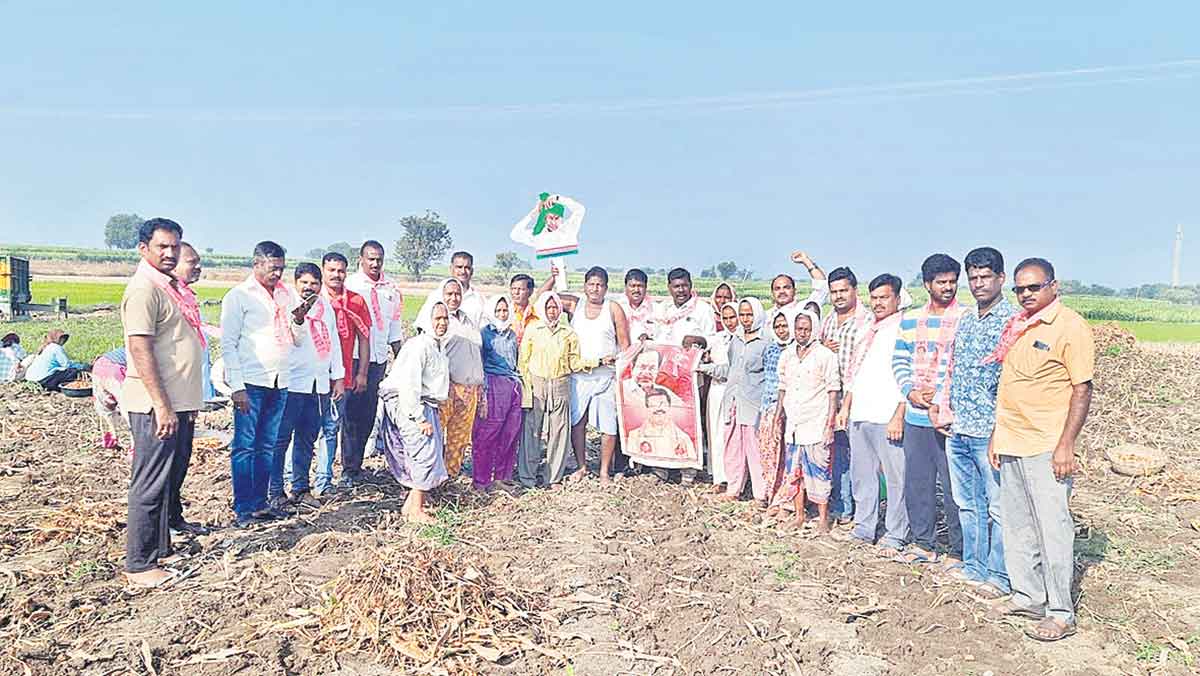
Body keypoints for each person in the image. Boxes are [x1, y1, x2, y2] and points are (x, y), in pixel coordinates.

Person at [987, 258, 1093, 642]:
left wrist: (1066, 444)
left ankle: (1061, 612)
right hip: (1013, 440)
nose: (1026, 294)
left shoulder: (1070, 327)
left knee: (1053, 530)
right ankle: (1028, 595)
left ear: (1054, 286)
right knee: (1018, 527)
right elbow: (1011, 388)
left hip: (1047, 445)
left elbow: (1082, 389)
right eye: (1020, 289)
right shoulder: (1018, 327)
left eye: (1034, 287)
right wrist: (998, 436)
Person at [119, 218, 205, 587]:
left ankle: (160, 548)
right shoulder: (144, 290)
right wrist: (162, 405)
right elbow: (140, 348)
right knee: (150, 483)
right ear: (144, 249)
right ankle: (139, 564)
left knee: (170, 478)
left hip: (177, 403)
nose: (170, 253)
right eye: (162, 247)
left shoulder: (169, 288)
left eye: (175, 246)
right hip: (156, 404)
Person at [928, 247, 1015, 599]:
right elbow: (953, 369)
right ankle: (974, 566)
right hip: (960, 427)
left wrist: (1000, 427)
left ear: (1001, 279)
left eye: (985, 277)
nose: (978, 284)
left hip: (990, 432)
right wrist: (943, 407)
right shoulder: (966, 320)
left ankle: (999, 575)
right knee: (968, 503)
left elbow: (1010, 379)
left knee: (997, 507)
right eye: (973, 277)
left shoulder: (1012, 320)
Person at [220, 241, 309, 527]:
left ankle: (261, 505)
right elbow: (229, 343)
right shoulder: (239, 296)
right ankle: (243, 509)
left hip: (280, 379)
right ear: (256, 264)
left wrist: (298, 321)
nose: (278, 275)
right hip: (251, 381)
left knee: (267, 445)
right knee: (245, 445)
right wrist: (236, 386)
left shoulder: (286, 295)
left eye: (282, 269)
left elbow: (298, 339)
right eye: (273, 269)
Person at [892, 253, 966, 566]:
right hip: (916, 415)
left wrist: (942, 397)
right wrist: (910, 391)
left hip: (949, 418)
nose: (948, 287)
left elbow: (963, 366)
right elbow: (899, 360)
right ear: (927, 285)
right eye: (941, 282)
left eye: (952, 281)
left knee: (954, 489)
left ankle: (958, 550)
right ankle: (924, 542)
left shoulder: (965, 317)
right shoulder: (910, 320)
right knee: (918, 483)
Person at [837, 274, 909, 558]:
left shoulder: (903, 328)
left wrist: (899, 414)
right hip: (861, 412)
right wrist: (846, 407)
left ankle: (895, 533)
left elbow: (909, 374)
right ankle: (864, 527)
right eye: (875, 298)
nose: (879, 303)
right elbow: (856, 373)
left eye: (885, 298)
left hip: (886, 414)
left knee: (895, 478)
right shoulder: (868, 328)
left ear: (897, 299)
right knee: (862, 475)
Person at [369, 301, 452, 524]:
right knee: (423, 452)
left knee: (427, 452)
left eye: (445, 318)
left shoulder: (437, 345)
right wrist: (418, 417)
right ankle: (416, 510)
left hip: (422, 402)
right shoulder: (419, 346)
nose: (442, 323)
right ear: (427, 320)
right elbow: (409, 384)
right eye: (438, 319)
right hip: (409, 402)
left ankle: (412, 505)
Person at [270, 263, 345, 509]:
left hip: (318, 384)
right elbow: (288, 339)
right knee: (281, 439)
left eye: (314, 283)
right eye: (304, 283)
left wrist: (338, 377)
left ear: (320, 285)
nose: (309, 288)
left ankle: (301, 488)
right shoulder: (286, 305)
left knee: (306, 438)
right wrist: (298, 317)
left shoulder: (325, 308)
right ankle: (275, 491)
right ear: (296, 283)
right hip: (292, 383)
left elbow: (333, 341)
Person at [517, 293, 611, 488]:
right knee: (532, 431)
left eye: (555, 307)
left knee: (559, 433)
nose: (552, 311)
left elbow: (574, 362)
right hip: (537, 384)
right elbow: (523, 362)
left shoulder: (568, 333)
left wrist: (599, 362)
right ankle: (528, 477)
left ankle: (553, 478)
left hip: (560, 384)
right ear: (542, 308)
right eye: (548, 307)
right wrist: (527, 389)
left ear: (560, 309)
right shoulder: (533, 329)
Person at [343, 240, 404, 487]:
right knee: (351, 415)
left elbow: (395, 327)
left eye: (379, 259)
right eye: (370, 258)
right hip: (355, 358)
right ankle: (348, 469)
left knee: (368, 413)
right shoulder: (351, 285)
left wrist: (401, 357)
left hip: (378, 358)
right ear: (361, 259)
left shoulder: (391, 287)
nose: (375, 263)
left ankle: (357, 466)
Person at [561, 267, 630, 484]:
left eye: (600, 284)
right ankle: (581, 467)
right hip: (579, 375)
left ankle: (603, 472)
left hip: (606, 377)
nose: (595, 288)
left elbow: (625, 345)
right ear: (584, 286)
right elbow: (544, 299)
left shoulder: (613, 308)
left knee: (609, 426)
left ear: (606, 288)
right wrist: (556, 275)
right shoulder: (575, 305)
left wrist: (619, 369)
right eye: (591, 284)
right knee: (577, 422)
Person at [772, 310, 839, 532]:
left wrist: (830, 423)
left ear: (815, 330)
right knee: (795, 473)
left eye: (807, 329)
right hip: (794, 424)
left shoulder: (825, 356)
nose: (802, 333)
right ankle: (799, 515)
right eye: (799, 329)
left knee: (819, 472)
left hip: (816, 422)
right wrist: (777, 415)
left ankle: (822, 519)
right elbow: (782, 387)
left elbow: (832, 390)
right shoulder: (788, 355)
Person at [699, 298, 767, 503]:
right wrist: (703, 368)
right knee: (733, 446)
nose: (745, 319)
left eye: (749, 315)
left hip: (753, 405)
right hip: (733, 402)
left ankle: (760, 495)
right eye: (743, 315)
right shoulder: (736, 341)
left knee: (755, 450)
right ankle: (733, 489)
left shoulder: (766, 342)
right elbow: (730, 370)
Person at [415, 278, 484, 480]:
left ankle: (449, 479)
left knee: (459, 439)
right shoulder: (436, 320)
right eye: (449, 294)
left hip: (470, 390)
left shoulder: (468, 320)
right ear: (441, 295)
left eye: (457, 294)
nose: (454, 298)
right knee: (434, 437)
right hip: (446, 389)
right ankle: (426, 482)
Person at [817, 267, 869, 527]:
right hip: (830, 398)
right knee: (836, 453)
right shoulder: (827, 320)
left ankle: (860, 511)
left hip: (855, 398)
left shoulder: (865, 321)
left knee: (858, 456)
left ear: (854, 291)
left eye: (843, 290)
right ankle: (841, 506)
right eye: (834, 291)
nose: (838, 296)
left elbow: (863, 365)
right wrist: (823, 348)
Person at [318, 252, 372, 496]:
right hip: (314, 376)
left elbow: (364, 338)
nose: (336, 275)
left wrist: (362, 373)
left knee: (340, 427)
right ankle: (298, 480)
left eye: (341, 271)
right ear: (323, 270)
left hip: (345, 375)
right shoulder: (315, 299)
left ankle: (332, 476)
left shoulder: (356, 301)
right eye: (332, 270)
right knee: (308, 430)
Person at [471, 295, 523, 492]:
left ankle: (502, 476)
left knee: (510, 433)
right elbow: (480, 364)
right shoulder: (484, 334)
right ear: (491, 312)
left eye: (504, 310)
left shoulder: (511, 334)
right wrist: (483, 393)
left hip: (514, 385)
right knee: (487, 434)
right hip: (493, 385)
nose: (502, 314)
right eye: (498, 311)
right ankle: (481, 480)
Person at [172, 242, 221, 403]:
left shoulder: (186, 294)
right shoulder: (168, 295)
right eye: (191, 262)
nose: (198, 267)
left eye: (198, 262)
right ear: (173, 265)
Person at [759, 309, 793, 511]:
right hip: (769, 407)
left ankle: (786, 498)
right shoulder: (771, 349)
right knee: (769, 453)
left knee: (788, 455)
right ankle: (771, 493)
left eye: (785, 325)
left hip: (791, 410)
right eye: (778, 326)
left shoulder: (797, 350)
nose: (781, 330)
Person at [704, 303, 739, 492]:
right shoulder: (718, 339)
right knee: (715, 434)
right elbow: (701, 347)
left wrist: (706, 368)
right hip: (716, 390)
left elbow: (731, 369)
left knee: (731, 435)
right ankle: (719, 478)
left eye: (733, 317)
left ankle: (735, 478)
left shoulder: (743, 340)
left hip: (735, 391)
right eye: (725, 318)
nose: (730, 322)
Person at [626, 388, 696, 459]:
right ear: (647, 409)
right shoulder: (634, 436)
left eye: (662, 404)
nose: (659, 408)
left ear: (669, 407)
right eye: (654, 404)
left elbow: (691, 463)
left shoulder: (684, 438)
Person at [653, 268, 713, 346]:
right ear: (669, 287)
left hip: (691, 356)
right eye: (676, 286)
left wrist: (699, 340)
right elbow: (654, 333)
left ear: (691, 285)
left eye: (685, 286)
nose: (681, 290)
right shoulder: (662, 308)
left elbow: (712, 339)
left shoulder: (703, 309)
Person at [92, 347, 128, 450]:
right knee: (128, 408)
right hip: (116, 371)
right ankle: (134, 449)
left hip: (98, 367)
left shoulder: (125, 348)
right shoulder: (144, 350)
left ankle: (110, 438)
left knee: (104, 406)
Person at [617, 268, 656, 342]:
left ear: (646, 287)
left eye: (640, 286)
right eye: (632, 286)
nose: (636, 290)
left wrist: (648, 335)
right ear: (625, 287)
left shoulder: (655, 308)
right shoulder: (618, 307)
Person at [450, 251, 486, 327]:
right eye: (459, 267)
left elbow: (485, 330)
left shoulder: (479, 300)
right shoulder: (437, 295)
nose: (463, 271)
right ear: (451, 269)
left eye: (467, 268)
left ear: (472, 271)